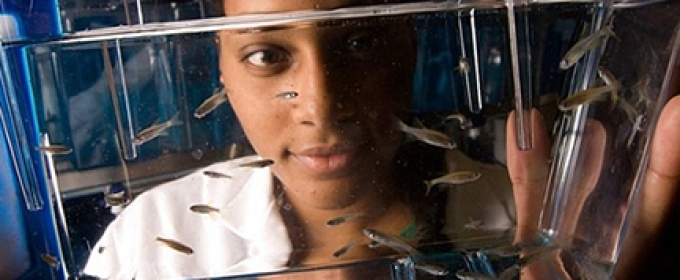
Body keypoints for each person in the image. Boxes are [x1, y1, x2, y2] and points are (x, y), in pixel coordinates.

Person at [82, 0, 680, 279]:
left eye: (361, 44)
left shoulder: (540, 234)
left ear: (410, 46)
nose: (320, 107)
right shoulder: (150, 237)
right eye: (266, 54)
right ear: (222, 69)